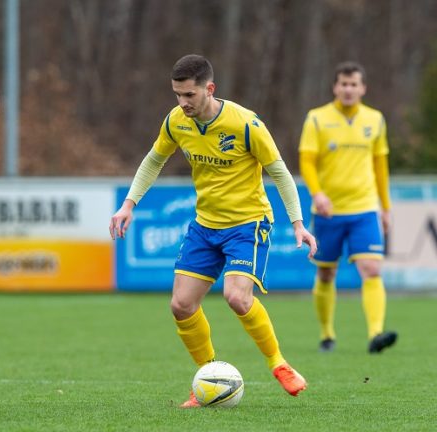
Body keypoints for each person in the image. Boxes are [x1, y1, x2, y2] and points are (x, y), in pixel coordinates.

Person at [109, 55, 316, 408]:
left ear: (209, 89)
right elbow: (154, 159)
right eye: (177, 95)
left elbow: (280, 172)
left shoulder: (246, 124)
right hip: (205, 225)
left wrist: (298, 222)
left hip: (248, 224)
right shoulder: (176, 121)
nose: (182, 103)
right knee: (181, 305)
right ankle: (207, 377)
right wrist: (128, 204)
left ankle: (278, 364)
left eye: (189, 94)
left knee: (237, 297)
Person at [298, 61, 397, 354]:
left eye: (354, 84)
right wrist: (317, 194)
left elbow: (380, 166)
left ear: (363, 88)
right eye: (343, 84)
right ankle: (327, 334)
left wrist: (385, 207)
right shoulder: (317, 118)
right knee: (326, 274)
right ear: (335, 87)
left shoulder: (375, 120)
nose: (348, 89)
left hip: (364, 208)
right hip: (328, 212)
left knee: (372, 269)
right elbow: (307, 161)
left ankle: (376, 334)